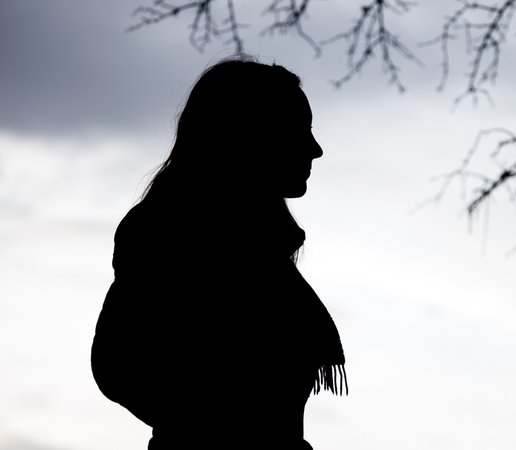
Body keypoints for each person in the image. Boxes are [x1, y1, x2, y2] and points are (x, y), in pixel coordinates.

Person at [90, 56, 347, 450]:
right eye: (298, 131)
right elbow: (119, 365)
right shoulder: (173, 232)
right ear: (247, 135)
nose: (315, 150)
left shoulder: (260, 249)